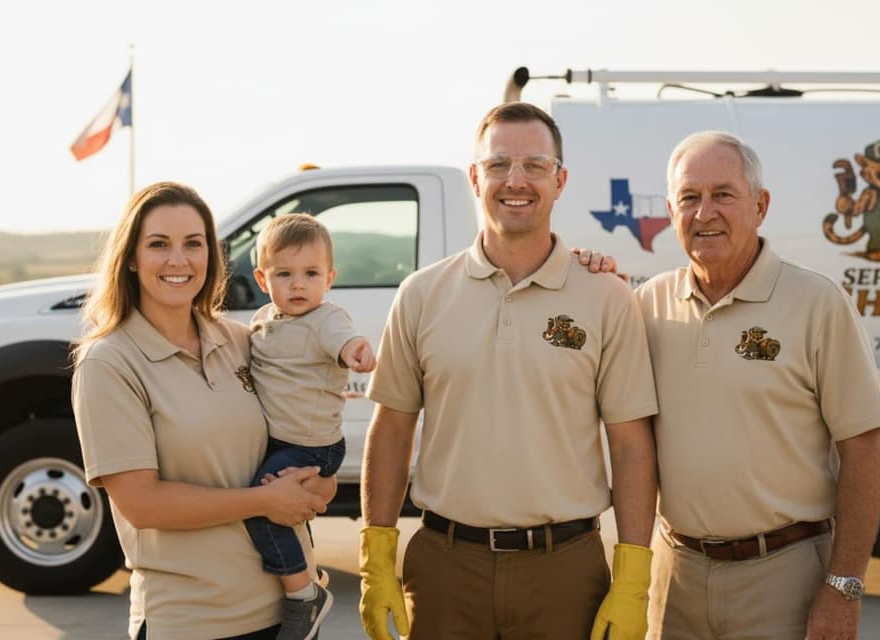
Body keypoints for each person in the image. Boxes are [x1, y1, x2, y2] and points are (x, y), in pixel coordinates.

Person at [358, 102, 660, 640]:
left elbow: (631, 444)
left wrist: (635, 576)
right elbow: (391, 427)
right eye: (498, 164)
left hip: (564, 570)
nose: (514, 181)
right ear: (476, 177)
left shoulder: (607, 297)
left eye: (535, 166)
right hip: (446, 570)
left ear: (560, 180)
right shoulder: (421, 294)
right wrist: (375, 557)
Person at [635, 131, 880, 639]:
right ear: (670, 210)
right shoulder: (647, 305)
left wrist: (844, 586)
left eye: (723, 195)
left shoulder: (817, 303)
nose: (704, 212)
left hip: (784, 576)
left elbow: (864, 449)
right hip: (676, 577)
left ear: (760, 205)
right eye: (689, 197)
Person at [71, 182, 335, 640]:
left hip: (289, 615)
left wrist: (318, 482)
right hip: (193, 621)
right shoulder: (108, 362)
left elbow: (288, 439)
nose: (179, 260)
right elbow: (141, 503)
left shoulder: (240, 340)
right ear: (131, 258)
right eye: (159, 245)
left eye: (193, 244)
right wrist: (267, 501)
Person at [242, 213, 377, 640]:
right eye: (285, 274)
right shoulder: (264, 319)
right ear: (264, 280)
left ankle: (304, 593)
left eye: (311, 273)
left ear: (329, 278)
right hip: (282, 441)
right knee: (283, 514)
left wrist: (356, 351)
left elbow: (345, 340)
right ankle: (298, 570)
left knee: (265, 505)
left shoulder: (326, 319)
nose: (299, 284)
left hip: (313, 446)